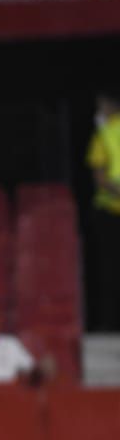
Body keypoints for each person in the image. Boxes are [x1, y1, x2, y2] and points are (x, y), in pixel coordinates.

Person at [86, 90, 120, 331]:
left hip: (110, 211)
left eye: (101, 107)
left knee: (110, 271)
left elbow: (100, 177)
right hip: (111, 211)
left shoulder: (104, 134)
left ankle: (111, 323)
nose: (99, 112)